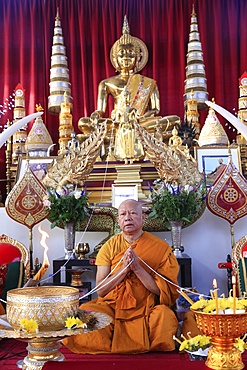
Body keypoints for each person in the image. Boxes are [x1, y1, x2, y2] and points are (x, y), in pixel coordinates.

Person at [63, 199, 180, 354]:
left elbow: (164, 291)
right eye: (123, 214)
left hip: (147, 308)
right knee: (86, 312)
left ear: (143, 217)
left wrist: (138, 269)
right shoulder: (109, 247)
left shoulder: (161, 248)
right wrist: (123, 270)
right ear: (118, 220)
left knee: (164, 317)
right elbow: (102, 290)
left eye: (133, 213)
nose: (127, 218)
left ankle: (118, 344)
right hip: (112, 307)